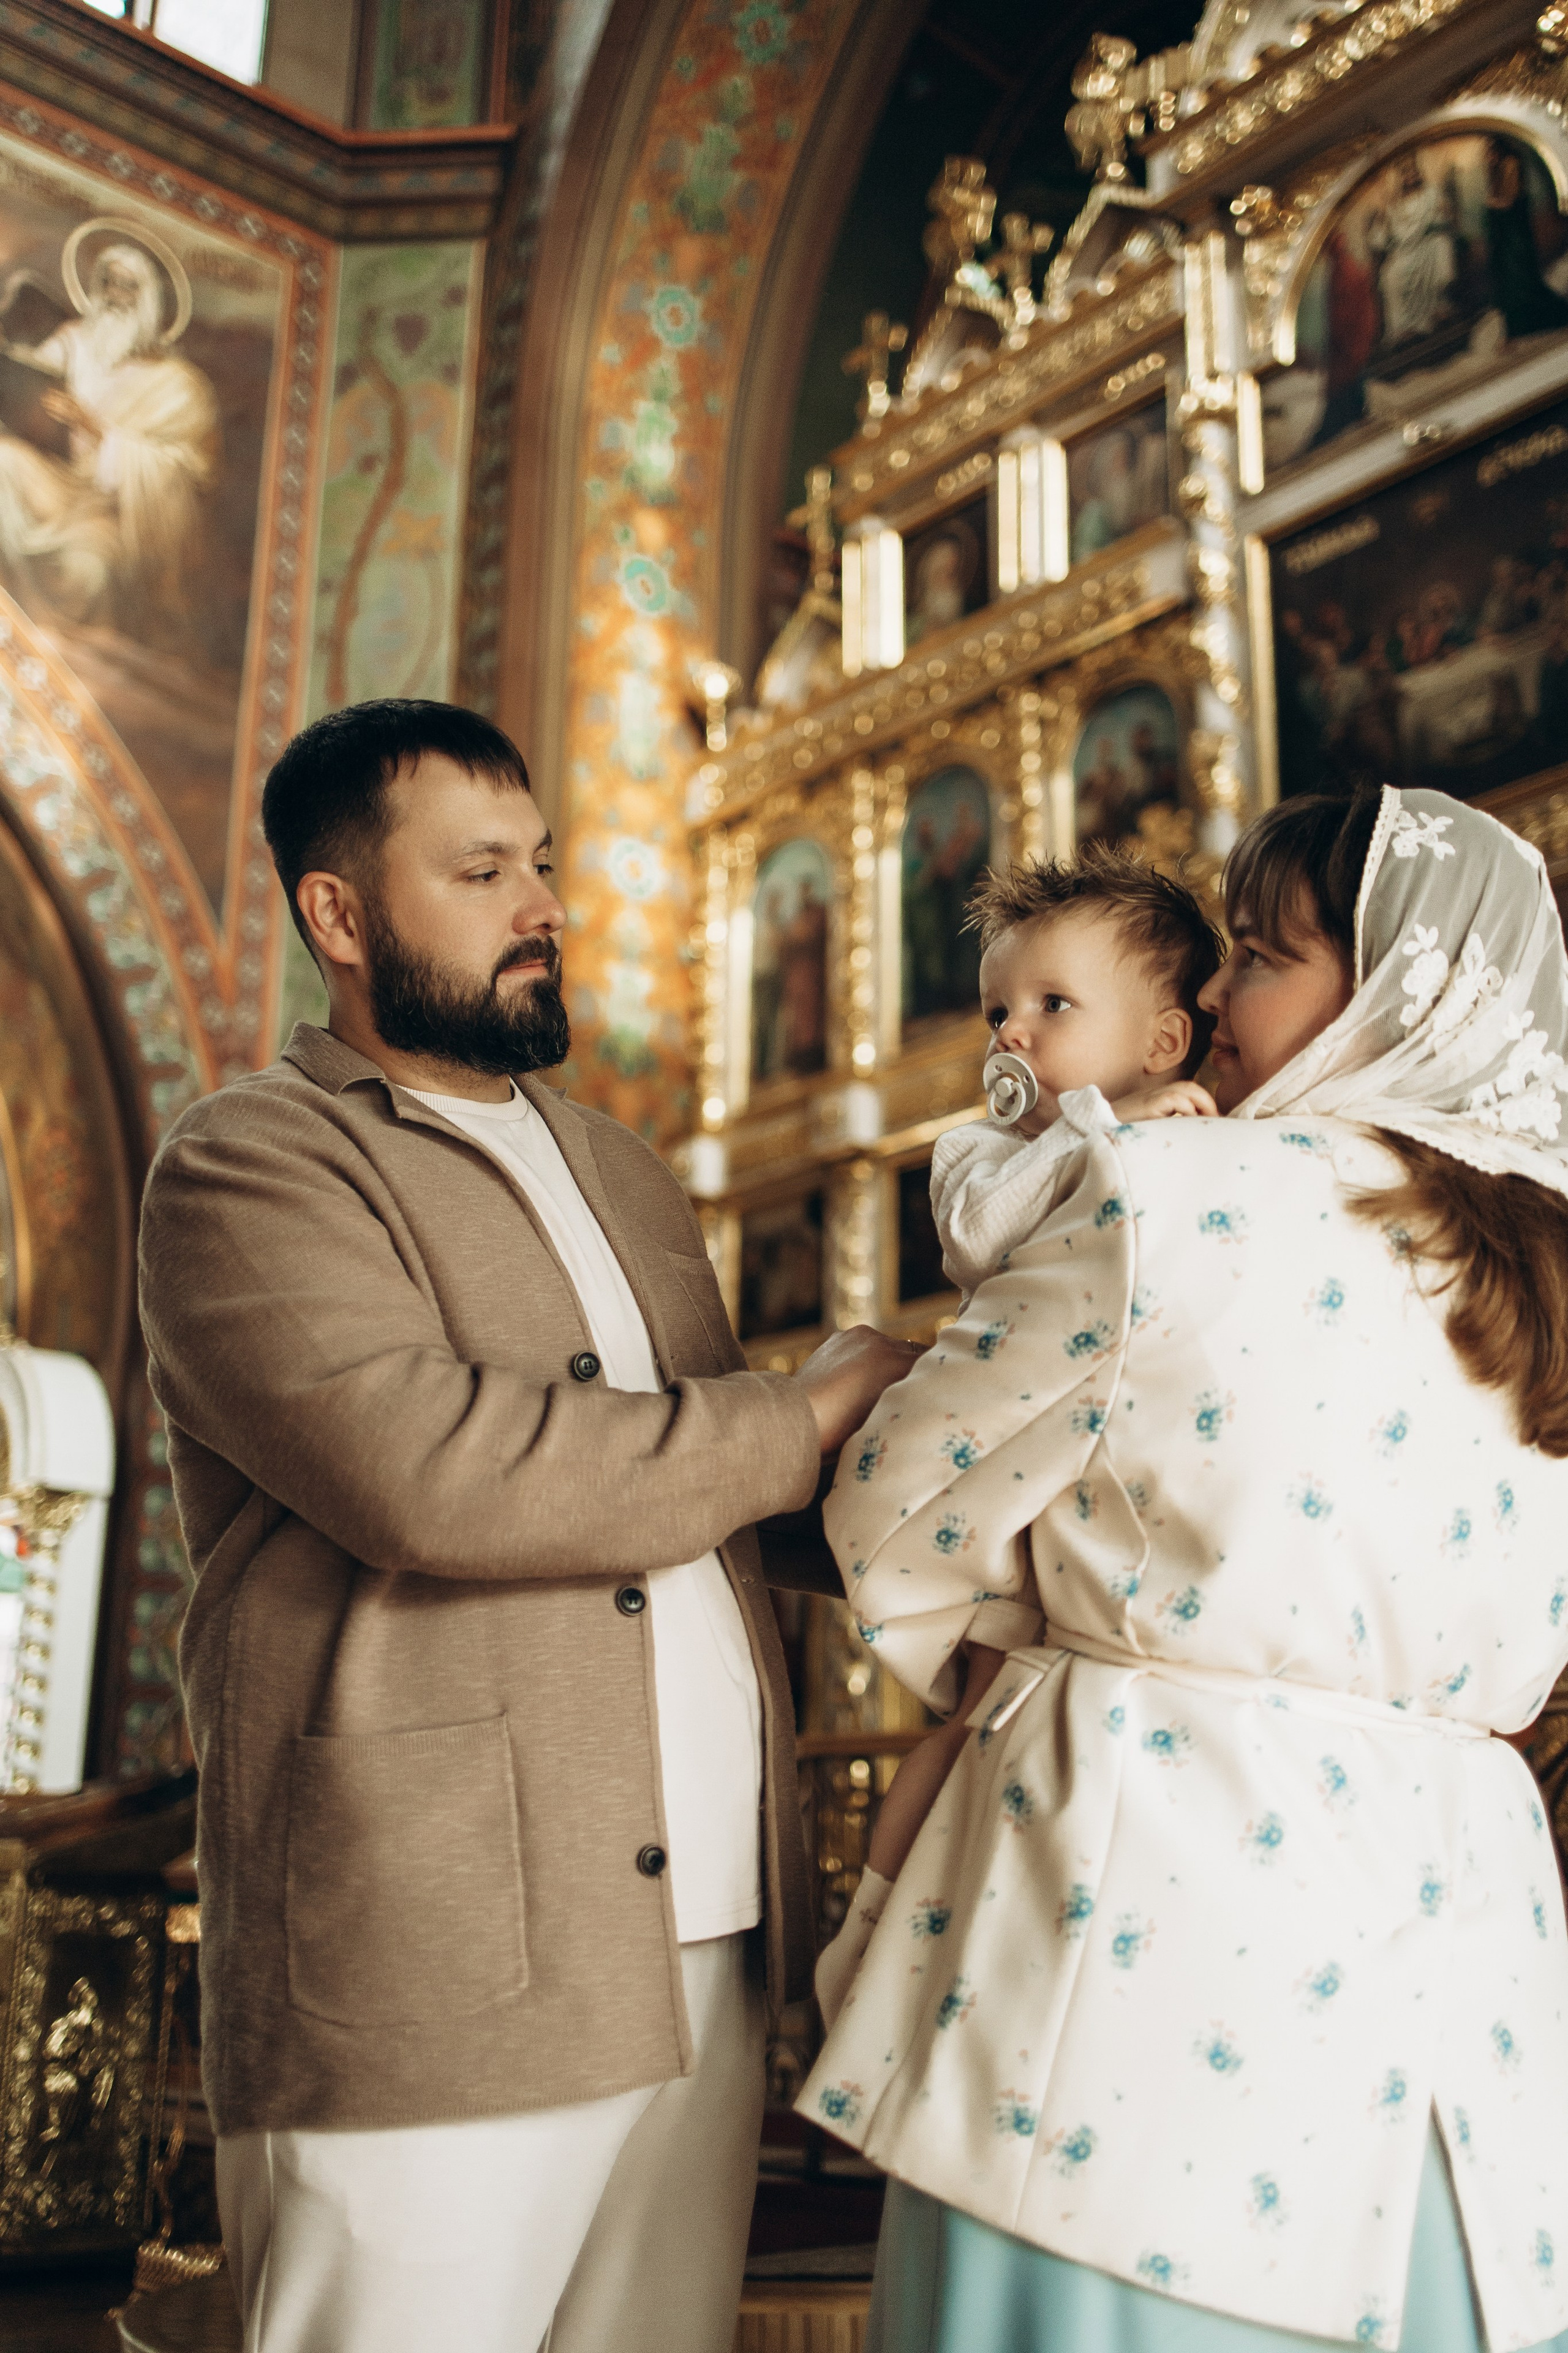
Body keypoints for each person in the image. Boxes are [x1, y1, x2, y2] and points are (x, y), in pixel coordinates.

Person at [136, 699, 917, 2353]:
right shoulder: (249, 1167)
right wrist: (807, 1411)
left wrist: (987, 1474)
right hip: (436, 1950)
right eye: (481, 870)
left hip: (698, 1933)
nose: (542, 905)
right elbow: (446, 1473)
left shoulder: (624, 1173)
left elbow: (708, 1496)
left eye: (542, 863)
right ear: (338, 918)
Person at [803, 784, 1568, 2353]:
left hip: (1145, 1953)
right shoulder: (1552, 1275)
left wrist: (1032, 1621)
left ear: (1387, 991)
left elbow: (897, 1501)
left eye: (1259, 953)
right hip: (1465, 1987)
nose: (1211, 994)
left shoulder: (1173, 1197)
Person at [815, 851, 1223, 2025]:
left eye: (1053, 1006)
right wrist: (1106, 1125)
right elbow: (988, 1241)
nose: (1014, 1035)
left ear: (1162, 1040)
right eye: (1001, 1008)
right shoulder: (980, 1153)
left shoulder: (1179, 1132)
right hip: (1005, 1478)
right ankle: (876, 1915)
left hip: (1109, 1471)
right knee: (982, 1705)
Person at [0, 238, 217, 624]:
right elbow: (26, 380)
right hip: (52, 479)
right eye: (108, 282)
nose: (116, 295)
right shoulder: (74, 342)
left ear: (149, 297)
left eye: (129, 286)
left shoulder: (179, 385)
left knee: (89, 570)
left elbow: (183, 474)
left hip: (109, 509)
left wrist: (94, 429)